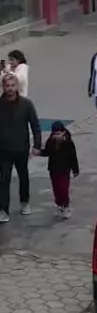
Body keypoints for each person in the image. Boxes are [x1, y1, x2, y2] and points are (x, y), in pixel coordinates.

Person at [0, 73, 40, 222]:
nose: (10, 89)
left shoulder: (26, 104)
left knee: (23, 176)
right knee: (4, 179)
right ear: (3, 87)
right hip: (3, 149)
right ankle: (3, 209)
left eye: (12, 85)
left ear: (17, 86)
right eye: (7, 86)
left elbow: (35, 125)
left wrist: (37, 145)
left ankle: (24, 202)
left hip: (22, 148)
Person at [41, 121, 78, 219]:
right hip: (53, 170)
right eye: (55, 134)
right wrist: (39, 152)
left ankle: (65, 206)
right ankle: (59, 205)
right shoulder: (51, 141)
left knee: (64, 189)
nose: (57, 136)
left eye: (59, 134)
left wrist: (75, 170)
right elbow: (47, 152)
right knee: (56, 189)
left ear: (63, 132)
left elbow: (73, 157)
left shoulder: (68, 143)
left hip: (64, 170)